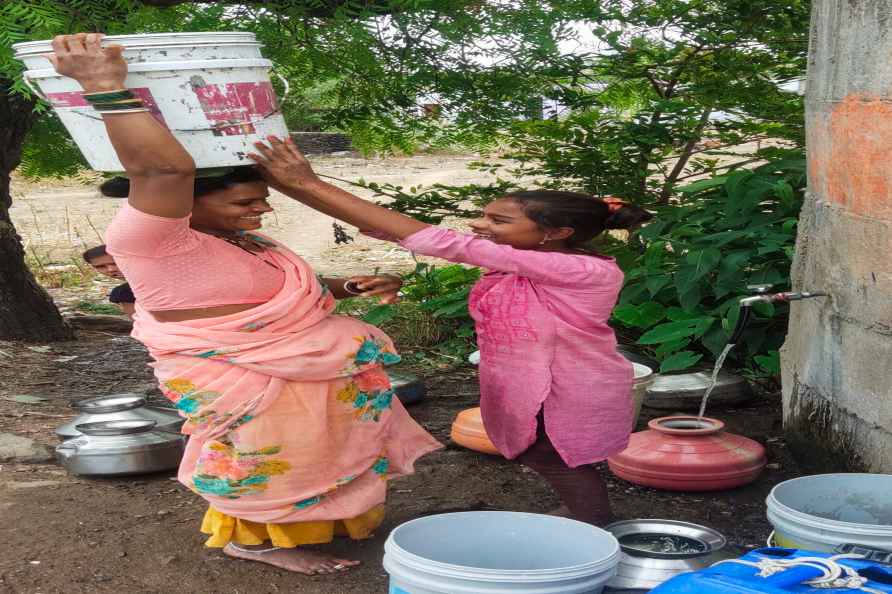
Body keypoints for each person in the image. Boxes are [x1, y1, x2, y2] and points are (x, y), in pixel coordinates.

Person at [48, 33, 441, 575]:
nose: (261, 212)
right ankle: (254, 540)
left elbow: (275, 291)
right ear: (190, 201)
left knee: (316, 452)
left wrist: (349, 287)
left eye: (263, 201)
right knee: (266, 461)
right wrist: (102, 85)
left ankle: (323, 522)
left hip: (313, 377)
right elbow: (164, 171)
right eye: (244, 201)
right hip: (241, 379)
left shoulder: (243, 241)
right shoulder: (153, 242)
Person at [248, 135, 654, 526]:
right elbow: (399, 232)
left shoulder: (585, 270)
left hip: (569, 388)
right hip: (528, 383)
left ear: (557, 233)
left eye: (498, 220)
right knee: (544, 452)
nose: (479, 224)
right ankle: (585, 515)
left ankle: (593, 522)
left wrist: (308, 182)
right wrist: (286, 184)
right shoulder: (521, 259)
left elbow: (443, 243)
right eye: (484, 215)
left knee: (556, 455)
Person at [82, 244, 136, 317]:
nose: (111, 270)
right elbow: (140, 322)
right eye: (101, 266)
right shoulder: (123, 292)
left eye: (116, 263)